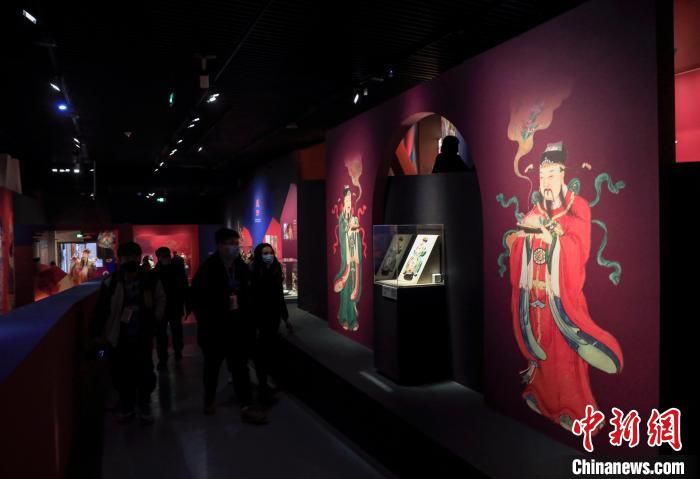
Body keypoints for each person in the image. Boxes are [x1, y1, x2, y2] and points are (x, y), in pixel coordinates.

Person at [505, 142, 623, 431]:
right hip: (537, 297)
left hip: (562, 298)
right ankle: (540, 396)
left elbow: (579, 249)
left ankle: (573, 409)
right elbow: (520, 243)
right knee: (542, 351)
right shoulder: (536, 209)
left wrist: (554, 241)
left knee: (566, 357)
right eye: (542, 176)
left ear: (563, 174)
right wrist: (517, 241)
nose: (546, 182)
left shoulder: (577, 207)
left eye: (551, 175)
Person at [190, 228, 265, 423]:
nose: (234, 247)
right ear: (219, 245)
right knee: (212, 367)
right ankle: (209, 398)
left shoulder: (241, 268)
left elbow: (249, 297)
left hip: (237, 328)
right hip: (214, 329)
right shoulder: (208, 269)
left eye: (236, 243)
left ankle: (246, 404)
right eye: (230, 243)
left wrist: (250, 323)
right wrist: (207, 323)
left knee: (240, 367)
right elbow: (198, 300)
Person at [90, 241, 166, 424]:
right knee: (121, 372)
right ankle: (127, 405)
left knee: (145, 371)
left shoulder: (150, 279)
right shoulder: (111, 282)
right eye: (126, 257)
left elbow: (161, 298)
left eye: (133, 257)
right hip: (119, 336)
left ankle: (144, 403)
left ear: (139, 258)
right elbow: (102, 309)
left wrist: (155, 319)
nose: (130, 260)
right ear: (120, 259)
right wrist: (97, 333)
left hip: (143, 334)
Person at [249, 243, 292, 406]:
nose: (269, 255)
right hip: (258, 316)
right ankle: (263, 387)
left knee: (271, 350)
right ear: (259, 255)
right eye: (265, 253)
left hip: (273, 316)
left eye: (270, 252)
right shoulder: (253, 270)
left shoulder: (276, 268)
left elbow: (279, 295)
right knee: (261, 353)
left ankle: (270, 383)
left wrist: (285, 317)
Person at [154, 246, 189, 371]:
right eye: (165, 256)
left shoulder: (156, 272)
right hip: (172, 306)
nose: (166, 258)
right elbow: (184, 286)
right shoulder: (176, 269)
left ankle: (165, 358)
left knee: (164, 334)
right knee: (172, 332)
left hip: (168, 307)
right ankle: (172, 354)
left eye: (167, 256)